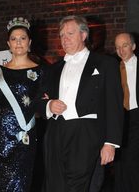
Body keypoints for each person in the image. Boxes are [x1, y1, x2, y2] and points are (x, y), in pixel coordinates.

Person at [37, 15, 124, 192]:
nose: (64, 39)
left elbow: (114, 105)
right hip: (56, 132)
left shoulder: (105, 63)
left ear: (83, 35)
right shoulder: (54, 68)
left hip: (86, 132)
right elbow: (38, 99)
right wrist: (49, 105)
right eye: (61, 35)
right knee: (54, 185)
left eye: (70, 33)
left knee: (78, 187)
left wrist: (110, 143)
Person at [0, 17, 46, 192]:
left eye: (22, 38)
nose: (18, 43)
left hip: (22, 138)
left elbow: (41, 105)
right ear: (8, 43)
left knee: (18, 185)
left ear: (29, 42)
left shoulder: (40, 71)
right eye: (14, 39)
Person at [114, 32, 139, 192]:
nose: (121, 50)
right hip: (120, 118)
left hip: (137, 116)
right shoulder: (112, 68)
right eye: (117, 47)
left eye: (125, 45)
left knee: (133, 161)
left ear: (133, 46)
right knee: (120, 162)